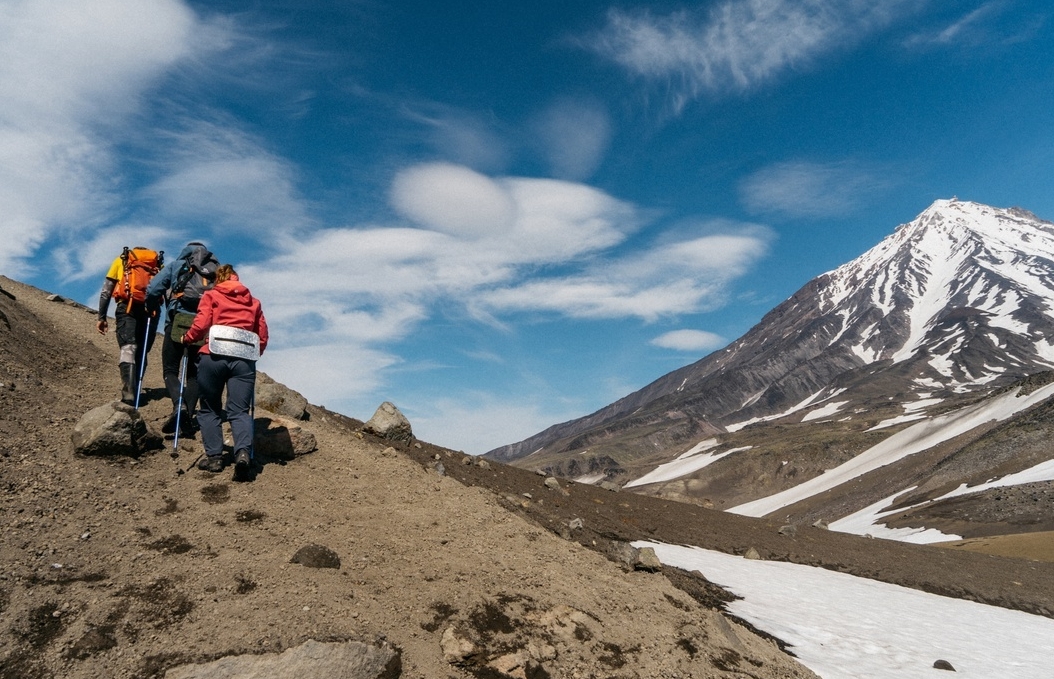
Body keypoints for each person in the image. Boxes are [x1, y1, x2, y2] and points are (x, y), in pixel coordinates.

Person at [181, 264, 268, 475]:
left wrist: (188, 338)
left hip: (213, 356)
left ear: (218, 279)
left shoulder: (211, 295)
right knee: (239, 411)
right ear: (237, 279)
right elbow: (262, 335)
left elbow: (201, 324)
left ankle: (215, 459)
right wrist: (254, 355)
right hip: (243, 361)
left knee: (210, 408)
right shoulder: (254, 302)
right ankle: (243, 454)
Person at [145, 240, 219, 434]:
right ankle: (187, 415)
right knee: (194, 375)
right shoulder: (215, 270)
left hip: (177, 320)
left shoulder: (178, 265)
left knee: (170, 369)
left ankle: (180, 406)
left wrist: (151, 306)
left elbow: (153, 289)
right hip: (204, 325)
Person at [97, 246, 162, 405]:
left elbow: (107, 290)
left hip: (126, 307)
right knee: (142, 349)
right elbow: (166, 291)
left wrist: (102, 316)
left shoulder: (122, 260)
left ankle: (129, 393)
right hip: (151, 312)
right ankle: (137, 389)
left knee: (128, 347)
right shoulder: (157, 265)